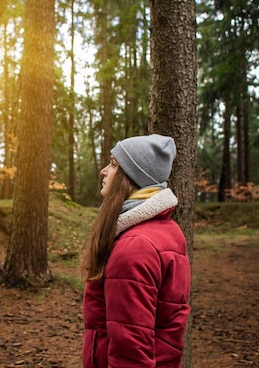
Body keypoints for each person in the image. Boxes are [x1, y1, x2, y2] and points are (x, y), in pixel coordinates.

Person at [81, 134, 191, 368]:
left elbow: (131, 352)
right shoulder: (167, 231)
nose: (103, 171)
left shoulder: (135, 248)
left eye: (113, 164)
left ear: (132, 176)